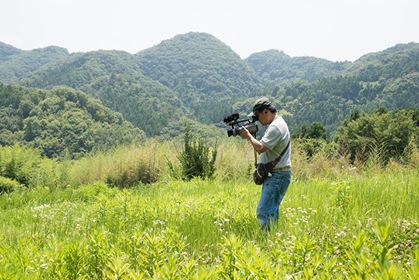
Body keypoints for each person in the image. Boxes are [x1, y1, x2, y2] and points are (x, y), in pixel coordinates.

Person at [240, 97, 291, 231]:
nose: (258, 120)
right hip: (278, 174)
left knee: (263, 211)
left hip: (277, 175)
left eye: (257, 116)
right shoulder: (277, 124)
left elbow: (261, 147)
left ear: (266, 112)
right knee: (272, 211)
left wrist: (249, 136)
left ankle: (266, 242)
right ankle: (273, 240)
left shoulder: (276, 127)